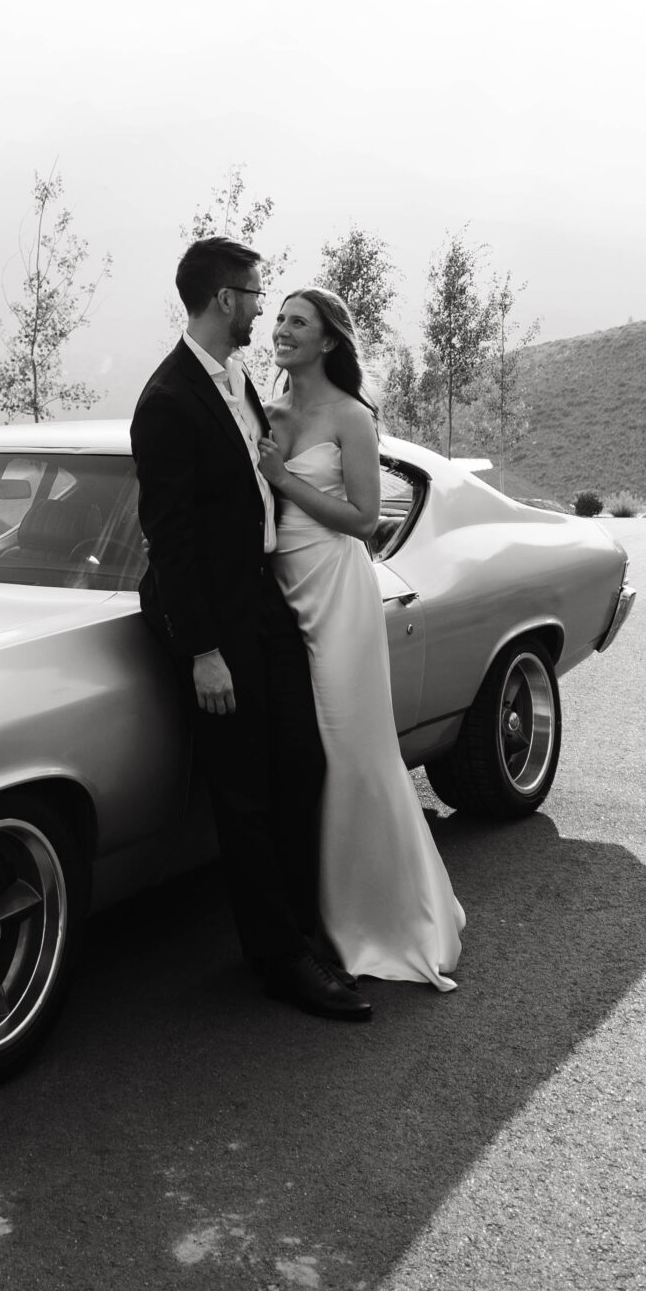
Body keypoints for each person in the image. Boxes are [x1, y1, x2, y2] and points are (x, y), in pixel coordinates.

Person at [131, 237, 372, 1022]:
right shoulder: (167, 400)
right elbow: (168, 539)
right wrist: (202, 650)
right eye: (255, 294)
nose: (263, 309)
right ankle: (281, 963)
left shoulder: (238, 380)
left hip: (267, 601)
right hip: (216, 624)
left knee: (300, 766)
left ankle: (303, 932)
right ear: (223, 299)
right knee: (245, 796)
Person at [258, 286, 465, 991]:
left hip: (334, 587)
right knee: (296, 754)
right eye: (278, 318)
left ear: (327, 342)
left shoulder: (349, 417)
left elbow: (362, 520)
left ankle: (375, 918)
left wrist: (280, 477)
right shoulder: (266, 409)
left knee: (349, 746)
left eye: (296, 322)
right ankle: (306, 912)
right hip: (274, 591)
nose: (280, 330)